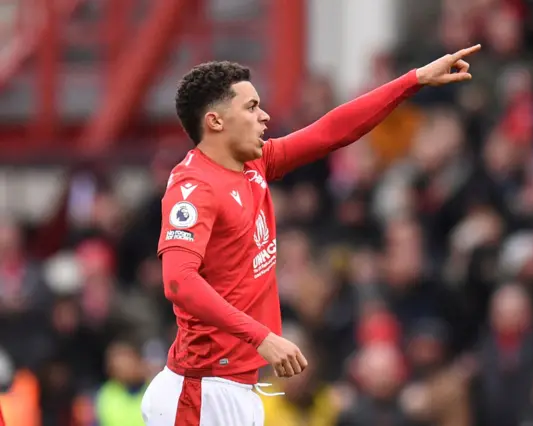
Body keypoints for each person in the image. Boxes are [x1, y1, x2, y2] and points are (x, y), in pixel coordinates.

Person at [140, 44, 482, 426]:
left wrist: (413, 80)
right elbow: (178, 281)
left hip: (235, 388)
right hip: (199, 391)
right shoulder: (194, 187)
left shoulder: (254, 164)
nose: (265, 116)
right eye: (251, 108)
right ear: (216, 121)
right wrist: (261, 337)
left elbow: (331, 131)